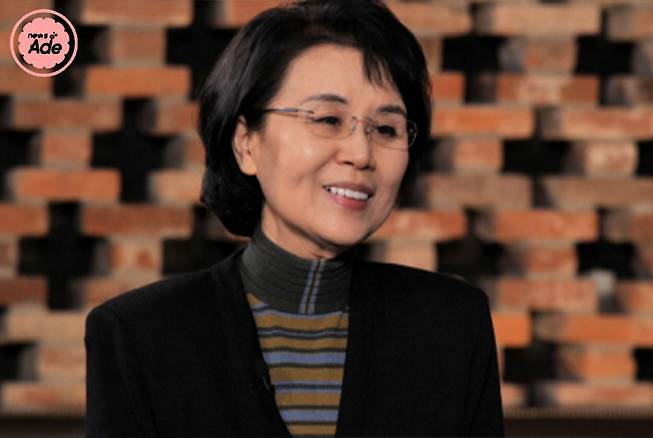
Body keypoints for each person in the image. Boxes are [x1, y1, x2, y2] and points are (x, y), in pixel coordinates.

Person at [84, 0, 505, 436]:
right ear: (247, 143)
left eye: (385, 129)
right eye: (327, 119)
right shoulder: (139, 335)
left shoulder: (451, 327)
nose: (361, 153)